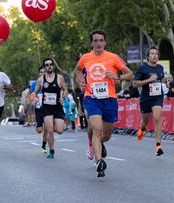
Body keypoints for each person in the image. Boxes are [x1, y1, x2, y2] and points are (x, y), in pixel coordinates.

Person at [75, 30, 133, 177]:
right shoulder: (85, 58)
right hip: (92, 97)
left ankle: (99, 144)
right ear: (91, 43)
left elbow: (130, 74)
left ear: (105, 42)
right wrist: (81, 81)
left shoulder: (113, 57)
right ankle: (99, 160)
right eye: (95, 41)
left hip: (110, 99)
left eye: (101, 40)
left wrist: (118, 77)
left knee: (106, 135)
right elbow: (78, 70)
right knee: (97, 129)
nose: (98, 43)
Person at [31, 57, 68, 159]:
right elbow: (35, 92)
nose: (49, 66)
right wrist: (35, 98)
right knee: (50, 130)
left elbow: (65, 89)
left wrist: (63, 97)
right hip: (46, 107)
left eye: (50, 64)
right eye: (47, 65)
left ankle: (54, 129)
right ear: (44, 67)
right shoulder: (40, 80)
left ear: (53, 66)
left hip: (57, 107)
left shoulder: (59, 78)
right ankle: (51, 150)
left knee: (59, 130)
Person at [133, 46, 165, 156]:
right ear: (148, 56)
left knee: (157, 117)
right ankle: (142, 129)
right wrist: (149, 80)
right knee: (145, 121)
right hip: (146, 98)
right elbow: (135, 83)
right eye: (152, 53)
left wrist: (166, 83)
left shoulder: (160, 68)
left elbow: (162, 79)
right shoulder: (142, 68)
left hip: (157, 96)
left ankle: (158, 145)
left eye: (156, 54)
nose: (154, 55)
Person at [29, 66, 48, 153]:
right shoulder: (35, 83)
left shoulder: (50, 82)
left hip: (48, 107)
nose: (43, 73)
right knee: (40, 130)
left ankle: (44, 146)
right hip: (39, 108)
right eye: (41, 72)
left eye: (44, 71)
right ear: (38, 73)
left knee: (47, 127)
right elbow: (30, 94)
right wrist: (33, 100)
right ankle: (39, 125)